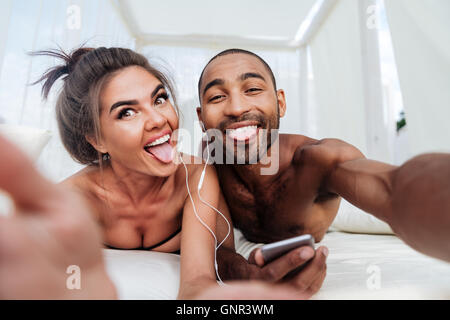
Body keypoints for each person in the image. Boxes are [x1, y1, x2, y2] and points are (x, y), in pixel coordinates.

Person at [0, 46, 326, 299]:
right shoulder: (75, 198)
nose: (158, 119)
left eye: (159, 98)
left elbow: (197, 284)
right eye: (127, 112)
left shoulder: (196, 176)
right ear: (96, 139)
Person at [196, 48, 450, 280]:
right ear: (201, 119)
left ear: (280, 103)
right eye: (217, 97)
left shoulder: (318, 159)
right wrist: (242, 272)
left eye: (252, 89)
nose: (237, 108)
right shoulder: (210, 156)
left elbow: (394, 189)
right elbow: (220, 247)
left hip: (342, 213)